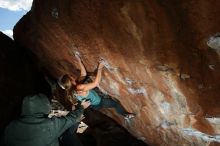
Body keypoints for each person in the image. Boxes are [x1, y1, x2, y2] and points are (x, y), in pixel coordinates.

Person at [57, 53, 135, 120]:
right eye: (71, 77)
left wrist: (79, 60)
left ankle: (103, 96)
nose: (72, 76)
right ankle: (125, 115)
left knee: (98, 92)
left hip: (93, 102)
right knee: (116, 104)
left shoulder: (74, 87)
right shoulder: (79, 87)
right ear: (71, 81)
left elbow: (83, 74)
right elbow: (96, 83)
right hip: (99, 102)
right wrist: (100, 66)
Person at [1, 93, 90, 146]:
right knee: (71, 133)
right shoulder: (50, 126)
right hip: (58, 136)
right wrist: (82, 107)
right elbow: (72, 118)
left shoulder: (11, 125)